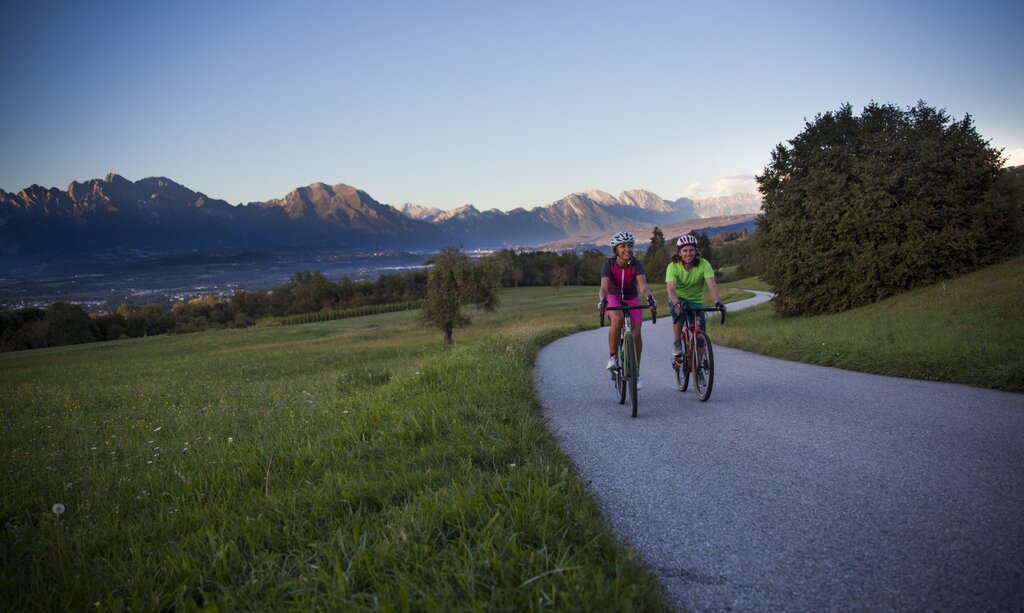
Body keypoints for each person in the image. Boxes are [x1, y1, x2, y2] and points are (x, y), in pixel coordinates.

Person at [599, 231, 656, 388]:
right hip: (614, 296)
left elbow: (643, 286)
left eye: (630, 246)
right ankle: (612, 358)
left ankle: (635, 372)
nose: (627, 249)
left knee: (636, 333)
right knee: (617, 319)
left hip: (631, 298)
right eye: (623, 246)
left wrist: (649, 298)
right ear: (616, 249)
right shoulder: (608, 265)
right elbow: (604, 288)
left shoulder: (636, 264)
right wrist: (603, 300)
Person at [665, 234, 725, 357]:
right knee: (680, 313)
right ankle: (677, 341)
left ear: (696, 251)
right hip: (678, 298)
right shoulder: (672, 267)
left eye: (691, 250)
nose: (688, 253)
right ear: (679, 253)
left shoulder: (704, 264)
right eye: (685, 250)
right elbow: (670, 289)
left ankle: (700, 368)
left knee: (701, 337)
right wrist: (676, 302)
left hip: (696, 301)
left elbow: (711, 285)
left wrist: (718, 303)